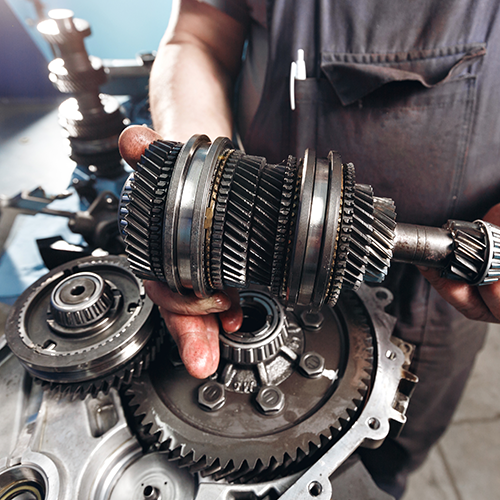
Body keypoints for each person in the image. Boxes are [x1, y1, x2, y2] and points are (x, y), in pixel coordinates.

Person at [119, 0, 500, 497]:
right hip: (255, 256)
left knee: (389, 454)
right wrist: (197, 206)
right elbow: (200, 35)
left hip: (442, 295)